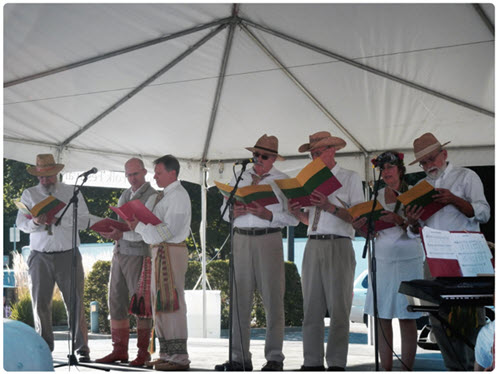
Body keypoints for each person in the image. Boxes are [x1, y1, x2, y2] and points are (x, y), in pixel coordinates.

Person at [405, 132, 490, 371]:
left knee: (471, 317)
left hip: (467, 258)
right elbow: (415, 231)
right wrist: (412, 221)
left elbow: (484, 213)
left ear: (444, 154)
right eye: (423, 162)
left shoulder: (466, 176)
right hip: (435, 258)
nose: (429, 165)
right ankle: (453, 368)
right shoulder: (421, 188)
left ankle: (478, 366)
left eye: (432, 159)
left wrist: (454, 200)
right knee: (438, 318)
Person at [214, 134, 299, 372]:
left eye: (264, 156)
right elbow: (222, 212)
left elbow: (294, 219)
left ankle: (274, 358)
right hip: (240, 239)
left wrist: (269, 215)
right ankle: (239, 358)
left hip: (268, 239)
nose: (258, 159)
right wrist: (233, 212)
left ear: (273, 159)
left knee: (273, 300)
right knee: (239, 301)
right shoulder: (238, 177)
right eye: (256, 155)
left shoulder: (283, 181)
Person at [288, 131, 364, 371]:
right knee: (311, 307)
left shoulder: (350, 178)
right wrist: (296, 213)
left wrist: (329, 206)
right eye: (312, 153)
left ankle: (336, 363)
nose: (314, 157)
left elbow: (358, 218)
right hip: (313, 243)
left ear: (332, 151)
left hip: (339, 244)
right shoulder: (308, 180)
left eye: (318, 152)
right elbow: (308, 219)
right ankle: (311, 362)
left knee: (339, 308)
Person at [15, 154, 95, 362]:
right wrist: (35, 222)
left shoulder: (71, 192)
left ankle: (82, 348)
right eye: (41, 177)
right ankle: (44, 348)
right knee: (40, 304)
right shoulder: (29, 194)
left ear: (56, 174)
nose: (45, 181)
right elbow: (22, 225)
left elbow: (85, 219)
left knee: (75, 301)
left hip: (68, 253)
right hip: (39, 256)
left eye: (48, 176)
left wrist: (61, 218)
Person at [352, 151, 424, 371]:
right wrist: (362, 229)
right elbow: (371, 233)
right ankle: (385, 368)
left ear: (400, 169)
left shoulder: (413, 194)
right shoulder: (376, 196)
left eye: (390, 168)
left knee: (406, 315)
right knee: (382, 316)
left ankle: (406, 368)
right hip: (381, 260)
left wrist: (400, 220)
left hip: (408, 259)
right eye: (383, 169)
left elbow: (420, 231)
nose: (386, 172)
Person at [126, 155, 191, 371]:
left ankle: (179, 357)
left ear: (172, 173)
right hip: (160, 251)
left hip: (171, 250)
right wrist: (140, 223)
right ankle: (167, 354)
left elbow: (167, 231)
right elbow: (156, 227)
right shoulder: (162, 197)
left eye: (159, 172)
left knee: (172, 303)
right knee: (161, 304)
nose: (154, 177)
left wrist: (140, 227)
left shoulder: (178, 196)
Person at [96, 158, 157, 366]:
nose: (132, 179)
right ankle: (119, 350)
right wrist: (112, 232)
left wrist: (119, 235)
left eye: (135, 174)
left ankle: (143, 352)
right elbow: (126, 226)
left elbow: (146, 233)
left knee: (141, 304)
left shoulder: (153, 196)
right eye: (128, 175)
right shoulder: (125, 193)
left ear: (144, 172)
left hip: (138, 253)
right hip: (120, 252)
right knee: (115, 300)